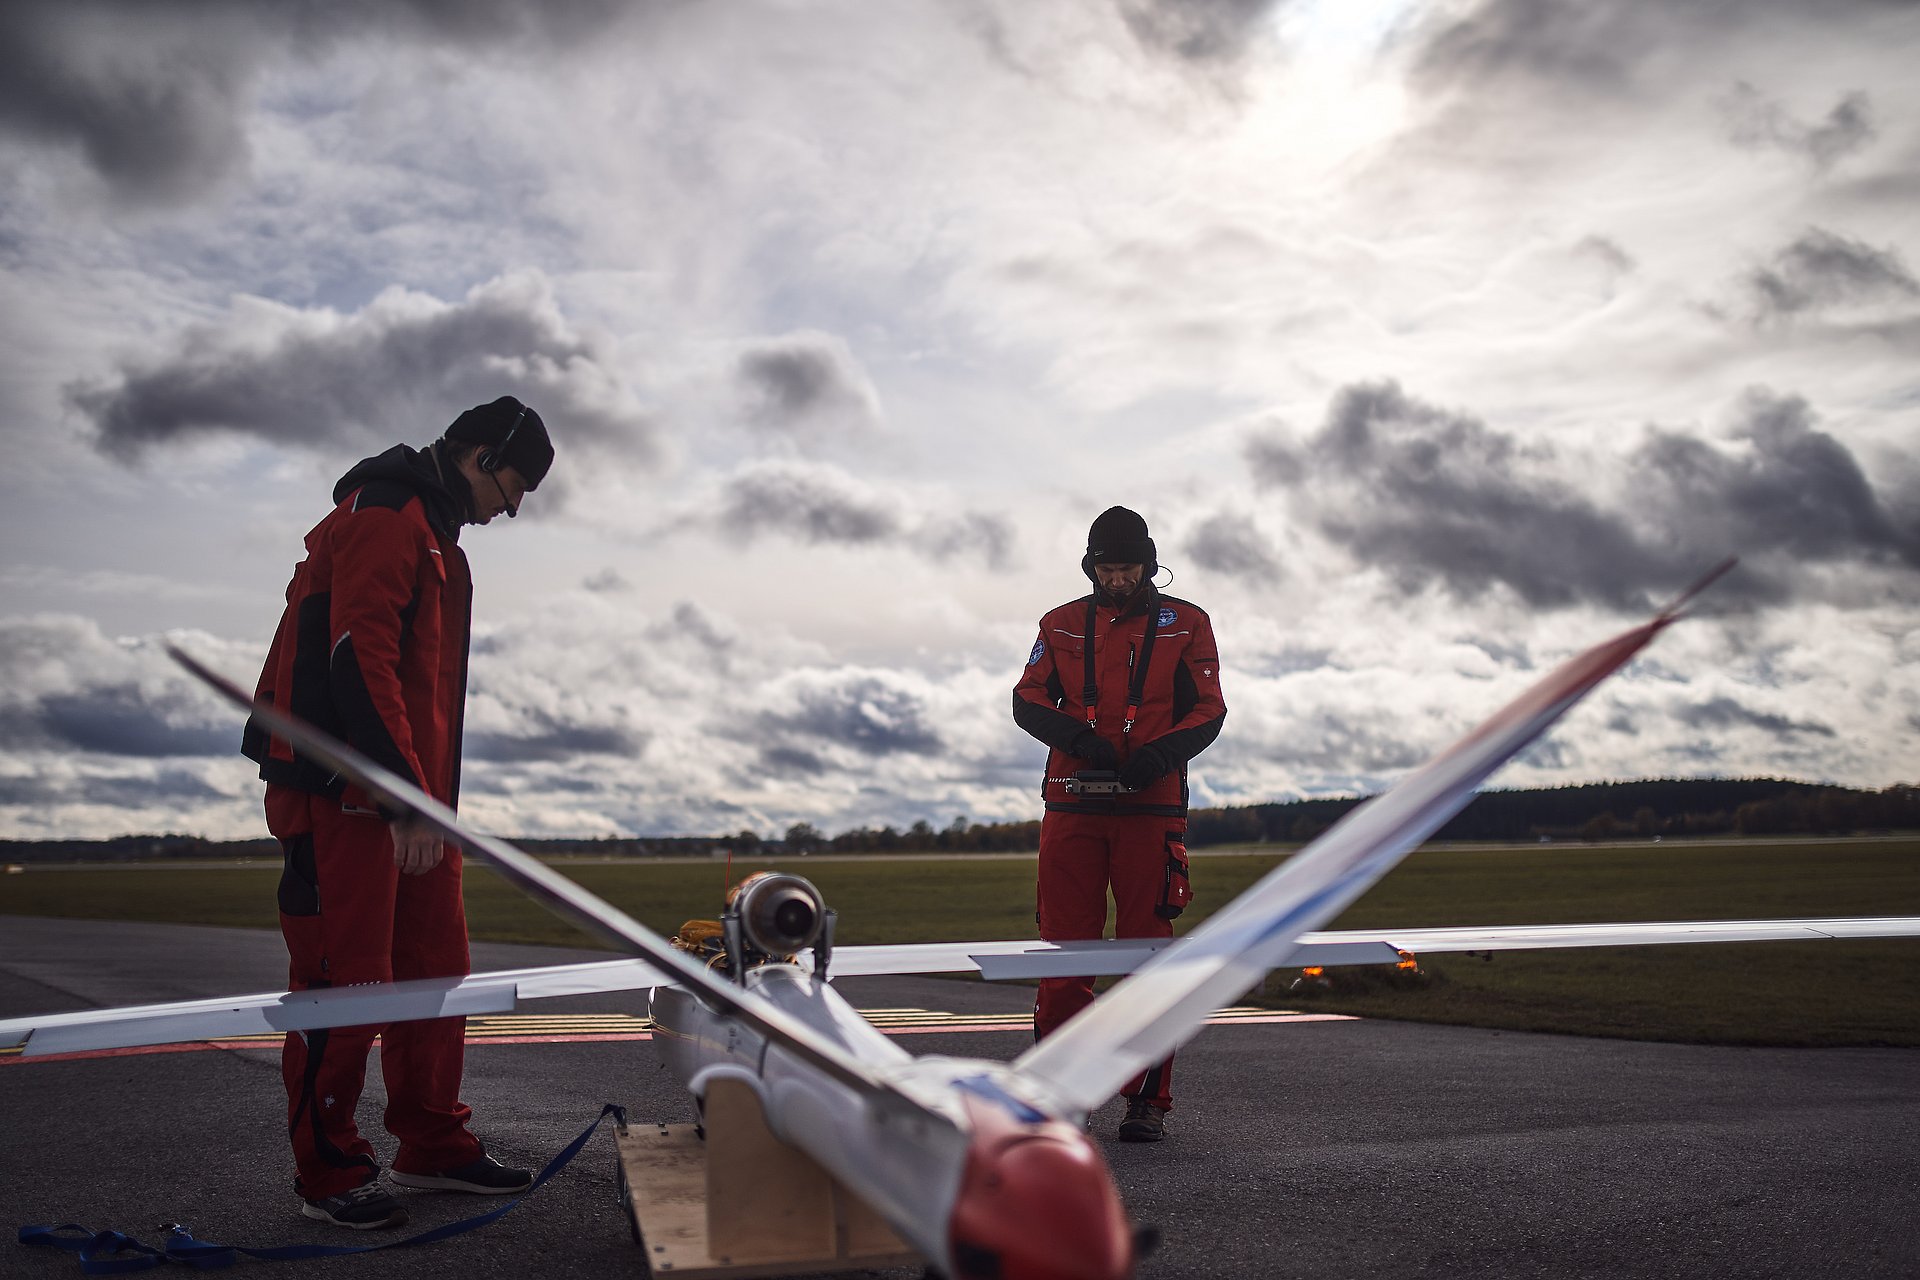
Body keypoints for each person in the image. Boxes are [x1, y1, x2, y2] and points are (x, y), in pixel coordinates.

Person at [242, 396, 555, 1228]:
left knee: (434, 976)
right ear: (480, 456)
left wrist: (427, 807)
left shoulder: (440, 541)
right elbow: (358, 655)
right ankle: (331, 1174)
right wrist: (399, 797)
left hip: (416, 804)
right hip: (349, 797)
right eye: (515, 485)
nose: (513, 508)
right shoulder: (386, 515)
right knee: (345, 985)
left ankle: (432, 1147)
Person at [1012, 506, 1226, 1143]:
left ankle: (1146, 1102)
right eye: (1106, 568)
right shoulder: (1057, 624)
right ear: (1090, 565)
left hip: (1149, 807)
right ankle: (1057, 1093)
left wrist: (1160, 756)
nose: (1117, 580)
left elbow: (1209, 708)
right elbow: (1026, 697)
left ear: (1149, 564)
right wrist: (1079, 737)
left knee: (1147, 957)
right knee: (1063, 958)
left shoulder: (1187, 623)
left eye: (1128, 568)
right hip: (1072, 805)